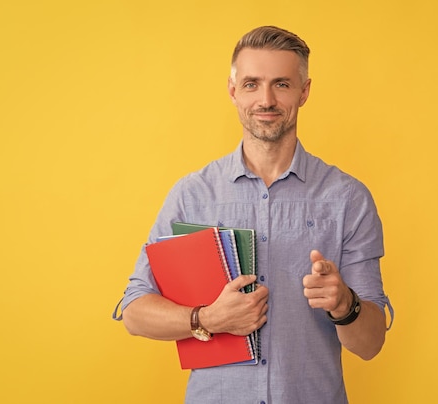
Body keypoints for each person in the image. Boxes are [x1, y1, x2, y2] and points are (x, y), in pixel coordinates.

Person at [116, 25, 393, 404]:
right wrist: (207, 319)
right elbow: (134, 311)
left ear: (304, 91)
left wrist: (346, 305)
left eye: (281, 84)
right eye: (251, 84)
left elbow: (371, 343)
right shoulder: (192, 195)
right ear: (233, 91)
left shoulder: (347, 199)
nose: (266, 99)